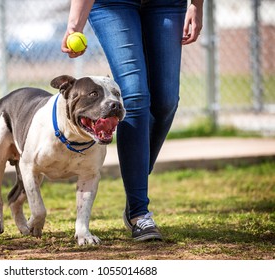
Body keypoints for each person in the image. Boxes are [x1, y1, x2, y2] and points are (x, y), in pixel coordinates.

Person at [61, 0, 203, 241]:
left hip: (167, 3)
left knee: (166, 101)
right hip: (113, 4)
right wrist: (75, 25)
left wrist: (197, 6)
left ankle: (135, 178)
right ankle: (139, 213)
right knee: (135, 96)